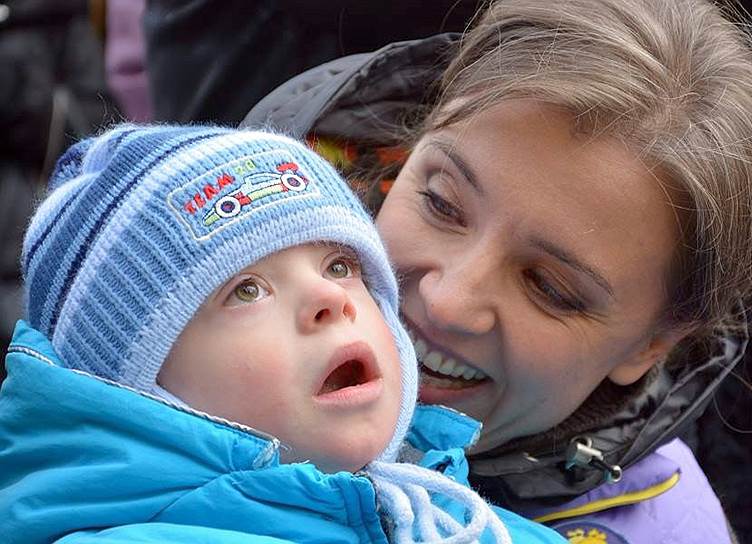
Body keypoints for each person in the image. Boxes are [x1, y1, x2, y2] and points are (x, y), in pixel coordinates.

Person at [240, 0, 752, 542]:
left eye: (549, 288)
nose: (449, 301)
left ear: (652, 345)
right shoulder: (190, 303)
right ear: (408, 148)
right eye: (442, 203)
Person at [0, 124, 567, 544]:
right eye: (246, 290)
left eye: (341, 267)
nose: (330, 299)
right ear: (135, 391)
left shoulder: (469, 521)